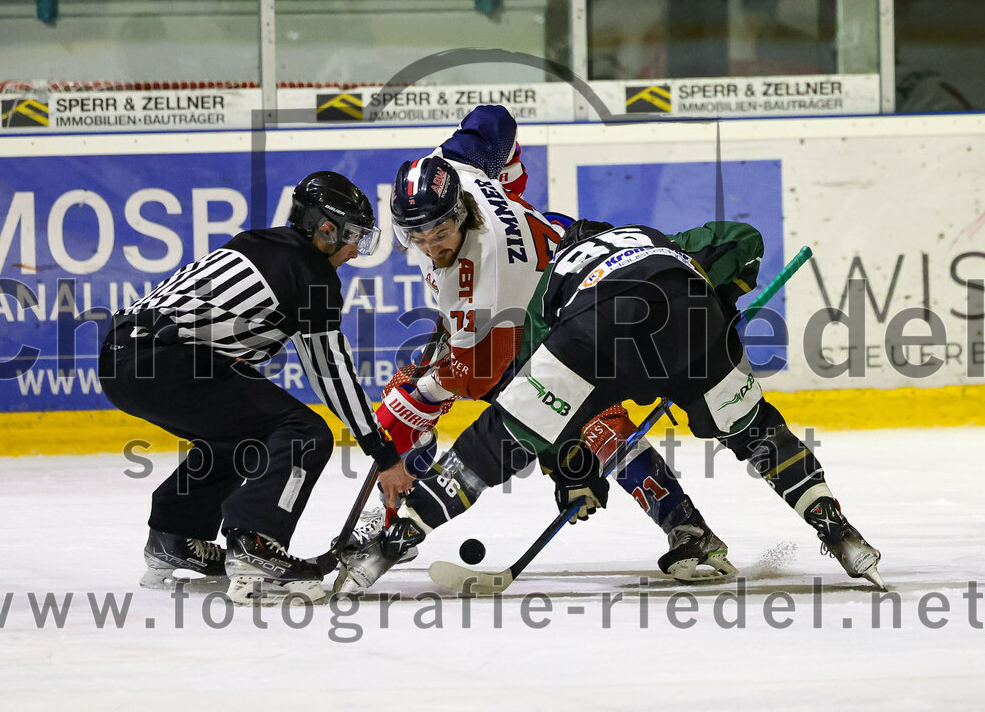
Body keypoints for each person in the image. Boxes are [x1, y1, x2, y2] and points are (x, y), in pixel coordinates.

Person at [336, 218, 884, 592]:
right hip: (692, 316)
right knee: (757, 431)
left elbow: (539, 403)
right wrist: (722, 299)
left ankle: (392, 543)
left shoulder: (555, 281)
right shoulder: (654, 239)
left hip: (597, 331)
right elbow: (743, 238)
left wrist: (571, 470)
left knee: (500, 439)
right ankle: (837, 527)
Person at [354, 104, 737, 583]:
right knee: (572, 418)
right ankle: (389, 516)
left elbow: (481, 378)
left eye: (440, 233)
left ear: (459, 214)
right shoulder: (451, 172)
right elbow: (494, 120)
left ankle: (686, 527)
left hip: (569, 301)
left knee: (575, 419)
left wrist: (432, 388)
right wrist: (508, 186)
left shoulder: (477, 282)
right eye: (417, 235)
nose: (431, 247)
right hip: (562, 255)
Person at [99, 171, 410, 606]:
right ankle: (256, 545)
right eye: (353, 235)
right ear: (325, 229)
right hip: (163, 360)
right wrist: (383, 452)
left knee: (243, 435)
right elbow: (330, 374)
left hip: (120, 355)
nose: (356, 249)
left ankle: (175, 535)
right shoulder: (312, 274)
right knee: (304, 431)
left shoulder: (258, 243)